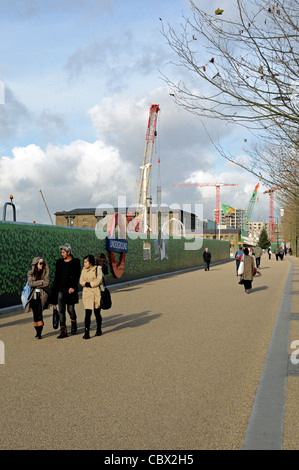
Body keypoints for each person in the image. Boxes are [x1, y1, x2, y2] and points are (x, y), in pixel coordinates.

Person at [51, 243, 81, 339]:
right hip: (61, 289)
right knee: (61, 310)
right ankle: (63, 330)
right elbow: (57, 277)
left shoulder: (76, 262)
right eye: (61, 252)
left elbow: (77, 276)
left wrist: (73, 287)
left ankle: (73, 322)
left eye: (63, 252)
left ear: (69, 252)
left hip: (71, 289)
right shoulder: (59, 262)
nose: (62, 254)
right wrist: (54, 290)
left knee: (70, 309)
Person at [24, 257, 49, 339]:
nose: (42, 265)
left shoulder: (44, 272)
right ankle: (37, 329)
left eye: (43, 263)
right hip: (33, 296)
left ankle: (39, 332)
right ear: (35, 264)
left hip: (42, 295)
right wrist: (41, 282)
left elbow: (46, 283)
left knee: (39, 312)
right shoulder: (30, 273)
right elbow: (30, 283)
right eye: (40, 263)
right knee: (35, 313)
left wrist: (37, 283)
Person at [79, 254, 103, 339]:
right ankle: (86, 332)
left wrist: (90, 284)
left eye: (86, 262)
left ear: (91, 262)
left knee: (97, 313)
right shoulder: (83, 270)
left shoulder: (98, 269)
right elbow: (81, 280)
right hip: (87, 294)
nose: (84, 263)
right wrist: (86, 284)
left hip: (96, 293)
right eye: (84, 262)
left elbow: (99, 280)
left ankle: (99, 329)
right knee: (87, 314)